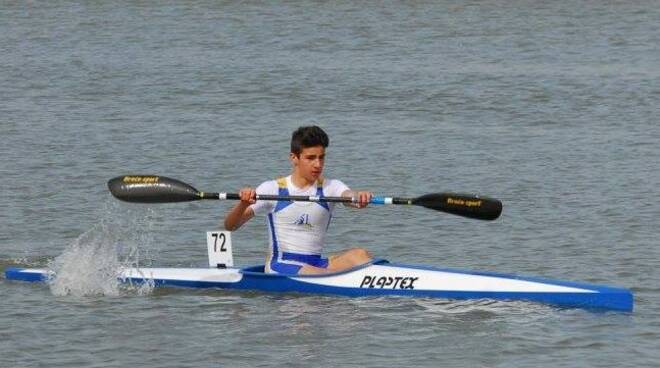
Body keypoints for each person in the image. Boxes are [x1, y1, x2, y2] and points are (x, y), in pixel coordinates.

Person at [223, 126, 373, 275]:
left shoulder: (330, 187)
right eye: (310, 158)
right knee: (319, 273)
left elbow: (349, 196)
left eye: (321, 157)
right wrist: (243, 204)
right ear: (294, 158)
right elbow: (230, 226)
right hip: (281, 265)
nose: (318, 164)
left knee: (360, 255)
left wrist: (359, 196)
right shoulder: (272, 189)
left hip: (316, 264)